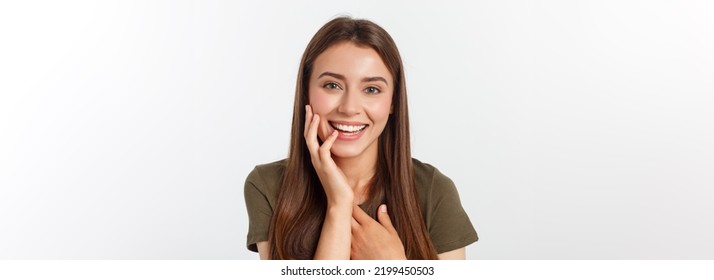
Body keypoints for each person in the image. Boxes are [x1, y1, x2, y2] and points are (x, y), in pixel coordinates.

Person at [244, 16, 478, 260]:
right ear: (306, 91)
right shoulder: (268, 186)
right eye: (332, 85)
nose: (349, 107)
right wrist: (339, 205)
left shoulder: (432, 190)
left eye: (371, 89)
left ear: (393, 101)